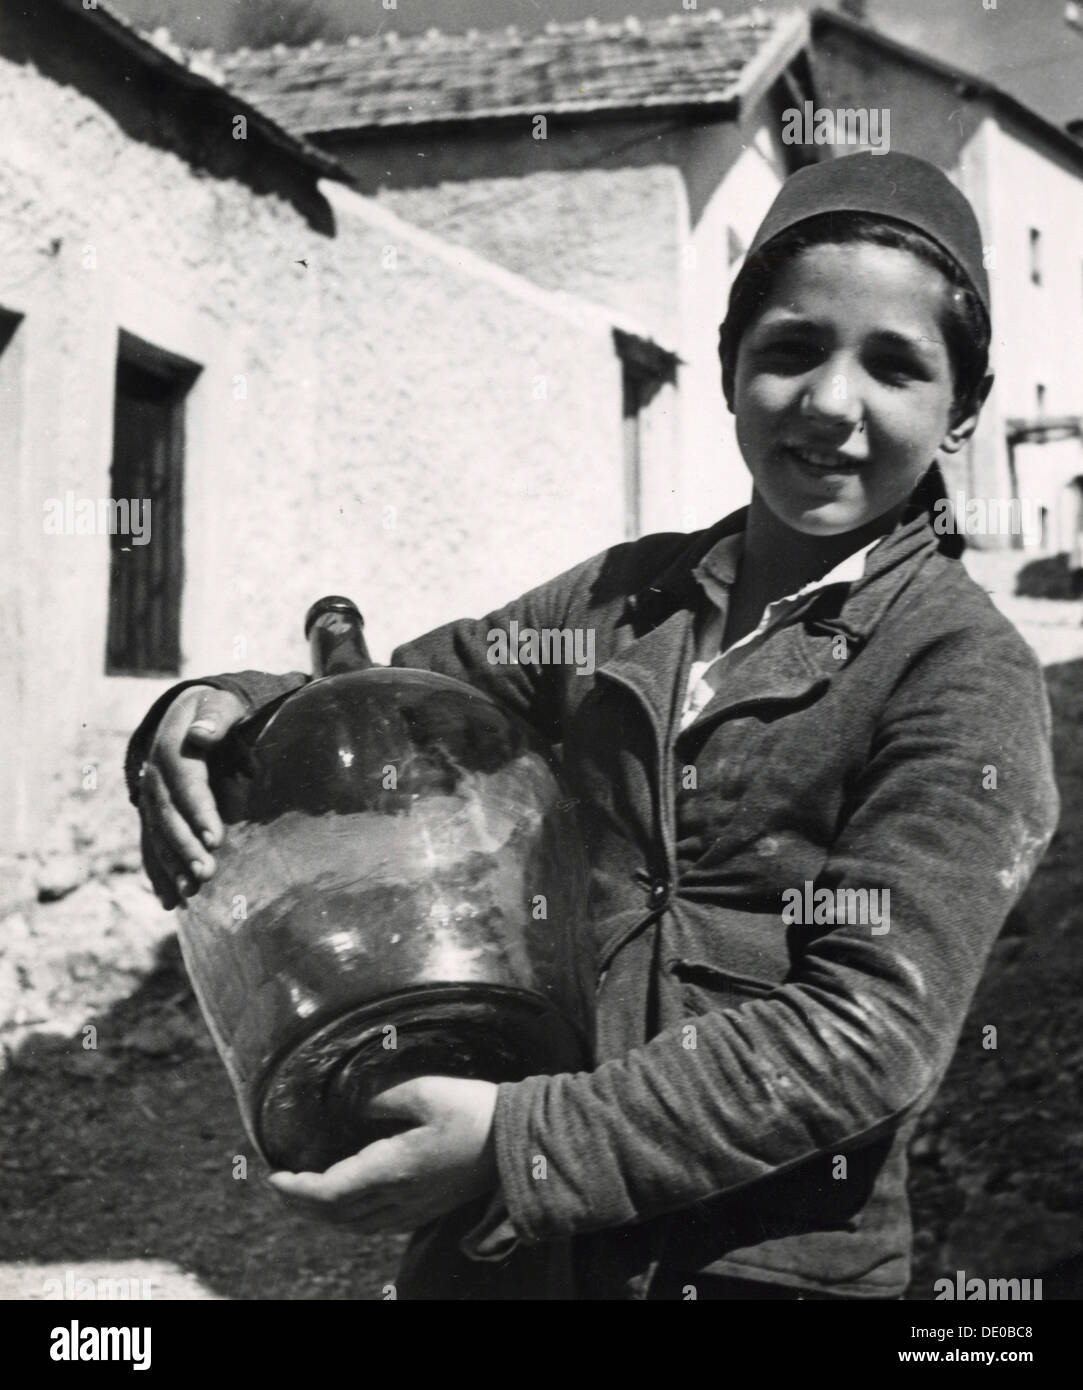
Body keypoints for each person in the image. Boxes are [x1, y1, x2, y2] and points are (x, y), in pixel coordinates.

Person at [127, 152, 1059, 1300]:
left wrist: (514, 1143)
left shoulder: (961, 672)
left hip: (755, 1266)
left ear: (961, 410)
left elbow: (868, 1032)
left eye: (895, 367)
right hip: (505, 1260)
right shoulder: (620, 601)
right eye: (790, 349)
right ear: (727, 368)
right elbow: (409, 703)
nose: (829, 404)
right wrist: (214, 707)